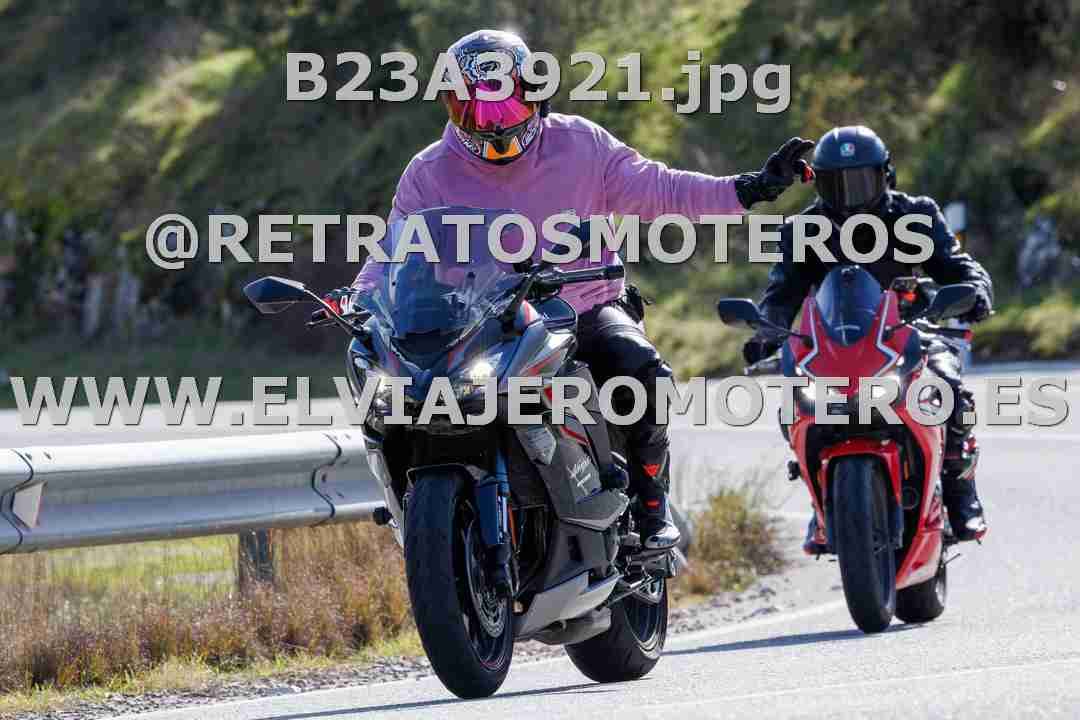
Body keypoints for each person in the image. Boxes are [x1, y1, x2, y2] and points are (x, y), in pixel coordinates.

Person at [346, 29, 813, 550]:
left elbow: (661, 188)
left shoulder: (581, 144)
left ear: (535, 94)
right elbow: (392, 250)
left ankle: (652, 505)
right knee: (414, 398)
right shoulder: (429, 171)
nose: (490, 123)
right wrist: (359, 300)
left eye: (502, 106)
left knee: (642, 372)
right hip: (481, 324)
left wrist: (747, 188)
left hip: (583, 304)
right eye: (470, 107)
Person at [742, 125, 992, 545]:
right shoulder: (804, 230)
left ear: (885, 175)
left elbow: (957, 265)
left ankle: (960, 495)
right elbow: (781, 293)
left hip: (909, 332)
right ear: (819, 184)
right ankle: (823, 500)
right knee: (793, 403)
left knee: (950, 391)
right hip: (832, 346)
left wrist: (975, 291)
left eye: (860, 181)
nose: (849, 195)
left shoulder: (915, 215)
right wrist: (765, 332)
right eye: (836, 184)